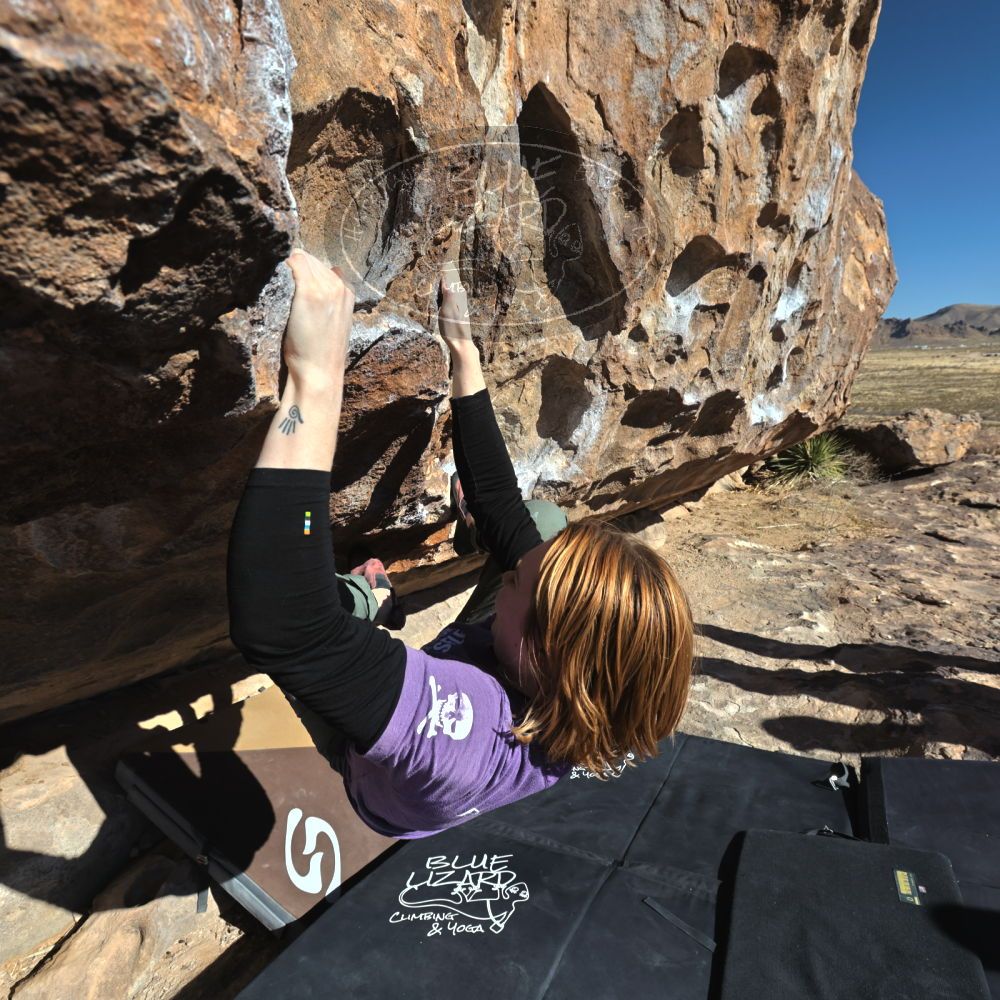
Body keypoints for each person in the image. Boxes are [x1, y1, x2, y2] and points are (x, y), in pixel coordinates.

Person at [227, 248, 694, 840]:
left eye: (515, 582)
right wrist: (464, 354)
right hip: (499, 674)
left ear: (546, 650)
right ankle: (391, 596)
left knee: (309, 601)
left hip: (368, 771)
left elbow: (284, 626)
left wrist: (316, 379)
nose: (511, 573)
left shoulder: (466, 729)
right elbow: (503, 509)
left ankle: (366, 606)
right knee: (541, 520)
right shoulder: (587, 683)